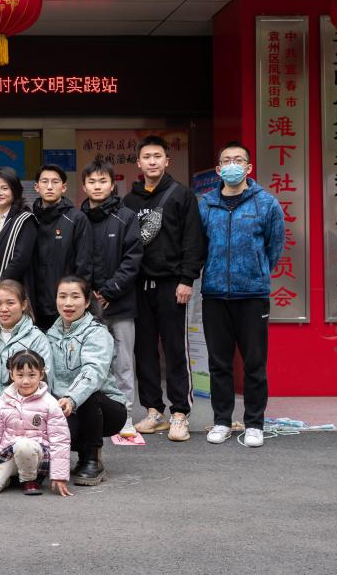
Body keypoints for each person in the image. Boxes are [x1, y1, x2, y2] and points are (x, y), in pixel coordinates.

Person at [199, 141, 284, 449]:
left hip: (252, 295)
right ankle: (222, 421)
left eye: (238, 160)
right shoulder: (206, 204)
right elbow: (200, 245)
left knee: (254, 363)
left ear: (249, 167)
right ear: (218, 169)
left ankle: (254, 423)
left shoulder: (266, 203)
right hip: (215, 294)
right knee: (219, 363)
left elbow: (275, 246)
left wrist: (256, 271)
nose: (232, 165)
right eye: (226, 161)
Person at [122, 135, 205, 442]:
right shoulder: (129, 201)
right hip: (139, 287)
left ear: (167, 161)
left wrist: (187, 279)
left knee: (174, 349)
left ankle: (180, 413)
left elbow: (193, 240)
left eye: (158, 156)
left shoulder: (182, 195)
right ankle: (154, 410)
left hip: (172, 285)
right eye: (147, 157)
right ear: (139, 163)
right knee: (143, 350)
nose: (152, 161)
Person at [80, 159, 143, 438]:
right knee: (90, 360)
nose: (97, 186)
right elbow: (77, 260)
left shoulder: (126, 216)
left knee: (123, 362)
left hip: (120, 302)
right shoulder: (78, 218)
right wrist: (88, 294)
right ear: (84, 186)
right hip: (86, 305)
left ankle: (124, 415)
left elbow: (133, 259)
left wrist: (108, 291)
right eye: (92, 181)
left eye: (102, 181)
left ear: (112, 184)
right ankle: (94, 413)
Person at [48, 276, 127, 486]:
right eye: (62, 296)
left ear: (86, 302)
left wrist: (71, 398)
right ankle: (73, 455)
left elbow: (93, 372)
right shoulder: (50, 334)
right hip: (64, 405)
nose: (68, 303)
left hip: (105, 409)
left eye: (75, 297)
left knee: (89, 396)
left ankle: (93, 459)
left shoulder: (97, 332)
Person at [0, 350, 71, 497]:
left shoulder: (50, 403)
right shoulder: (2, 401)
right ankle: (12, 477)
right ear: (11, 375)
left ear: (41, 374)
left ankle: (29, 479)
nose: (25, 381)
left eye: (31, 375)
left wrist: (59, 475)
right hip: (9, 453)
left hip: (36, 456)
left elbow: (60, 440)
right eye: (20, 375)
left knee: (24, 445)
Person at [0, 279, 54, 422]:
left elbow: (45, 381)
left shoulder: (37, 339)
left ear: (23, 305)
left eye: (10, 303)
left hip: (27, 418)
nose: (4, 309)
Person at [30, 164, 92, 331]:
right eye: (45, 181)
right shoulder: (29, 219)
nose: (49, 186)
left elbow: (84, 265)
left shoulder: (77, 218)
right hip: (34, 306)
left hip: (66, 305)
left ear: (64, 187)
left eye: (55, 182)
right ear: (36, 187)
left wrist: (76, 300)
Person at [0, 167, 36, 325]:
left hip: (14, 294)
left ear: (15, 190)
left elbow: (20, 260)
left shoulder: (25, 220)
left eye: (4, 188)